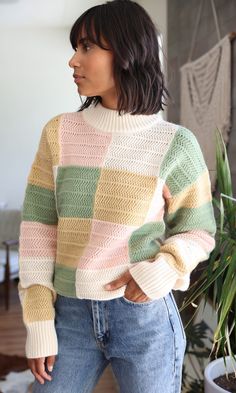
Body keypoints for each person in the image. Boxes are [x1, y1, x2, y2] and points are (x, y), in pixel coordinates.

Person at [18, 1, 216, 392]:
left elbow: (198, 231)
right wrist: (38, 321)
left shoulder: (175, 144)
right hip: (69, 315)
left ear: (128, 52)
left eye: (87, 47)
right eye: (75, 47)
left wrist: (160, 269)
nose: (73, 61)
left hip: (144, 318)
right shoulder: (58, 134)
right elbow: (38, 232)